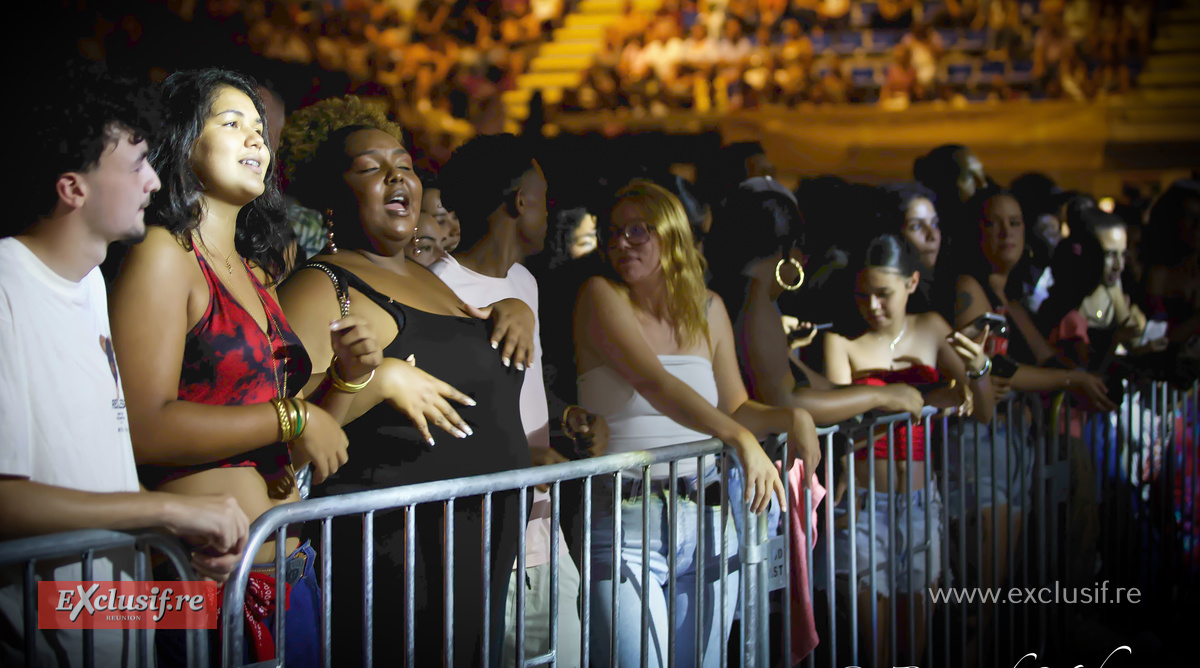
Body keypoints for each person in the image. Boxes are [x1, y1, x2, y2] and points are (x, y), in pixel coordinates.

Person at [110, 69, 380, 668]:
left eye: (260, 129)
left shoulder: (258, 273)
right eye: (232, 123)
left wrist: (346, 378)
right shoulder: (164, 254)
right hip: (205, 587)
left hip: (290, 570)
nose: (257, 139)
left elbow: (297, 441)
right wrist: (292, 416)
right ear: (184, 140)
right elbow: (143, 427)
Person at [0, 61, 248, 668]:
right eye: (136, 165)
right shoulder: (7, 285)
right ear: (73, 188)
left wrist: (175, 545)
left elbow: (94, 474)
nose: (154, 183)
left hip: (109, 623)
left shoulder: (88, 284)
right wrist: (168, 509)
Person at [275, 95, 534, 666]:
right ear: (333, 198)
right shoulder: (321, 286)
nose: (396, 177)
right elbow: (285, 428)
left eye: (405, 165)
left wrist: (514, 309)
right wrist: (377, 381)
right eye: (370, 168)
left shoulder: (429, 278)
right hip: (394, 553)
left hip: (476, 541)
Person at [575, 179, 820, 668]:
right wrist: (740, 439)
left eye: (637, 231)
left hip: (707, 519)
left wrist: (793, 417)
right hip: (627, 523)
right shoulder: (599, 294)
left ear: (670, 234)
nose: (621, 243)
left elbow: (735, 406)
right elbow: (653, 382)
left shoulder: (710, 307)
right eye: (613, 233)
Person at [434, 133, 585, 668]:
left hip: (542, 529)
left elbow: (522, 392)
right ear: (520, 202)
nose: (549, 212)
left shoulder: (525, 282)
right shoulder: (439, 288)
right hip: (487, 539)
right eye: (543, 198)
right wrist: (519, 460)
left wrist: (564, 415)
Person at [821, 233, 993, 666]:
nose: (872, 306)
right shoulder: (840, 341)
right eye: (862, 295)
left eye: (884, 294)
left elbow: (983, 409)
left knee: (911, 649)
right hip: (863, 508)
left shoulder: (931, 327)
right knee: (872, 650)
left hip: (920, 506)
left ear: (911, 283)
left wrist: (980, 369)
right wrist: (906, 399)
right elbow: (842, 427)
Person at [706, 178, 927, 426]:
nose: (804, 261)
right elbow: (786, 401)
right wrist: (879, 396)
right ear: (789, 251)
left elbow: (819, 386)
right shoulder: (753, 299)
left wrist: (886, 393)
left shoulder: (738, 293)